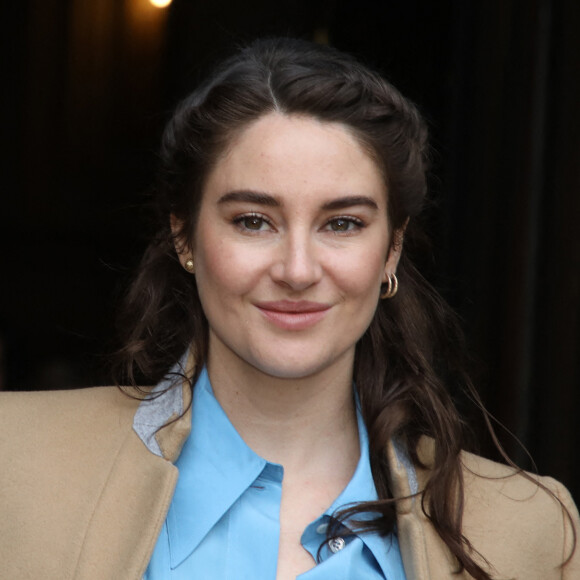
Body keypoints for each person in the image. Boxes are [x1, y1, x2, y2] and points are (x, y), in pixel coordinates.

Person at [1, 37, 578, 580]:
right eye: (253, 221)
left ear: (391, 250)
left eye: (342, 223)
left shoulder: (528, 529)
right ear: (185, 238)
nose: (297, 270)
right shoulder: (16, 464)